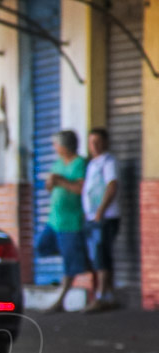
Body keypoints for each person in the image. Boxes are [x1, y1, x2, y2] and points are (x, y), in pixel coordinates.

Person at [44, 129, 92, 313]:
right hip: (54, 220)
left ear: (64, 146)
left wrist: (61, 181)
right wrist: (51, 183)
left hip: (71, 221)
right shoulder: (58, 163)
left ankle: (61, 299)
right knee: (42, 245)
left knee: (70, 265)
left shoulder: (80, 164)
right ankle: (78, 258)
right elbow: (51, 187)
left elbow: (80, 189)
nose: (54, 148)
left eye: (56, 144)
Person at [81, 127, 120, 312]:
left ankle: (102, 295)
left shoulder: (108, 162)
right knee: (98, 255)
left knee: (102, 255)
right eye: (91, 142)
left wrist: (100, 211)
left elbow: (112, 186)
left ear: (105, 143)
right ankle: (108, 295)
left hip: (105, 217)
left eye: (97, 142)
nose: (94, 146)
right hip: (92, 217)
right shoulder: (92, 164)